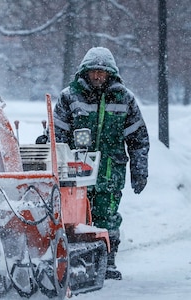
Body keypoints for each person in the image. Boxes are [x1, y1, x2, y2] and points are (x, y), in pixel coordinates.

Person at [53, 47, 150, 280]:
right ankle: (78, 260)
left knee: (106, 215)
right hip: (75, 170)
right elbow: (57, 134)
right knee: (75, 218)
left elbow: (138, 139)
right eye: (93, 72)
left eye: (102, 72)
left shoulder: (125, 99)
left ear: (111, 74)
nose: (97, 76)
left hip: (110, 170)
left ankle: (108, 260)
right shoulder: (69, 97)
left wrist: (139, 169)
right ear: (84, 72)